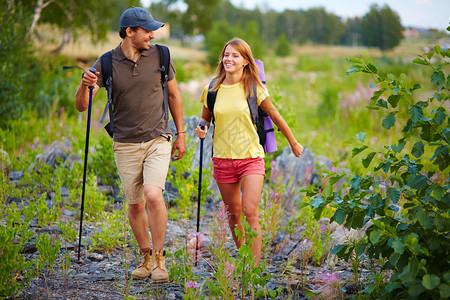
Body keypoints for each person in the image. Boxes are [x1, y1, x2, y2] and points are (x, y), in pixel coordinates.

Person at [75, 7, 186, 282]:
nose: (152, 34)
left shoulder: (161, 55)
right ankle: (146, 256)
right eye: (146, 30)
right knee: (135, 205)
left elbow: (174, 96)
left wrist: (180, 133)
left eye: (152, 30)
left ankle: (160, 259)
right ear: (129, 32)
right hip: (124, 143)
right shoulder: (106, 63)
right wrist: (83, 84)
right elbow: (82, 106)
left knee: (152, 194)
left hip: (158, 137)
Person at [195, 38, 303, 266]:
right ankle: (244, 257)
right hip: (222, 159)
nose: (229, 59)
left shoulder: (254, 88)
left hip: (251, 158)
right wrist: (202, 127)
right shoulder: (212, 88)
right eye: (226, 55)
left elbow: (275, 116)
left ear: (246, 61)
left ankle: (253, 267)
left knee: (249, 211)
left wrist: (293, 143)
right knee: (234, 214)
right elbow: (206, 117)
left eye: (235, 55)